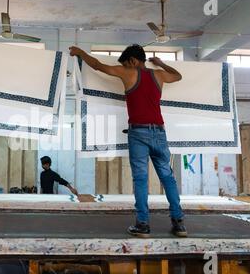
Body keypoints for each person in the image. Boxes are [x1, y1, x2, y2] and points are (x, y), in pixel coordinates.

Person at [69, 44, 187, 238]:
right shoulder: (159, 75)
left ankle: (143, 225)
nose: (125, 67)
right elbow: (178, 76)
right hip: (159, 133)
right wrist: (161, 63)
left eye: (126, 64)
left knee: (141, 179)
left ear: (132, 61)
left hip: (138, 134)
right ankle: (179, 223)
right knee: (168, 178)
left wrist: (81, 53)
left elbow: (98, 66)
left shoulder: (129, 73)